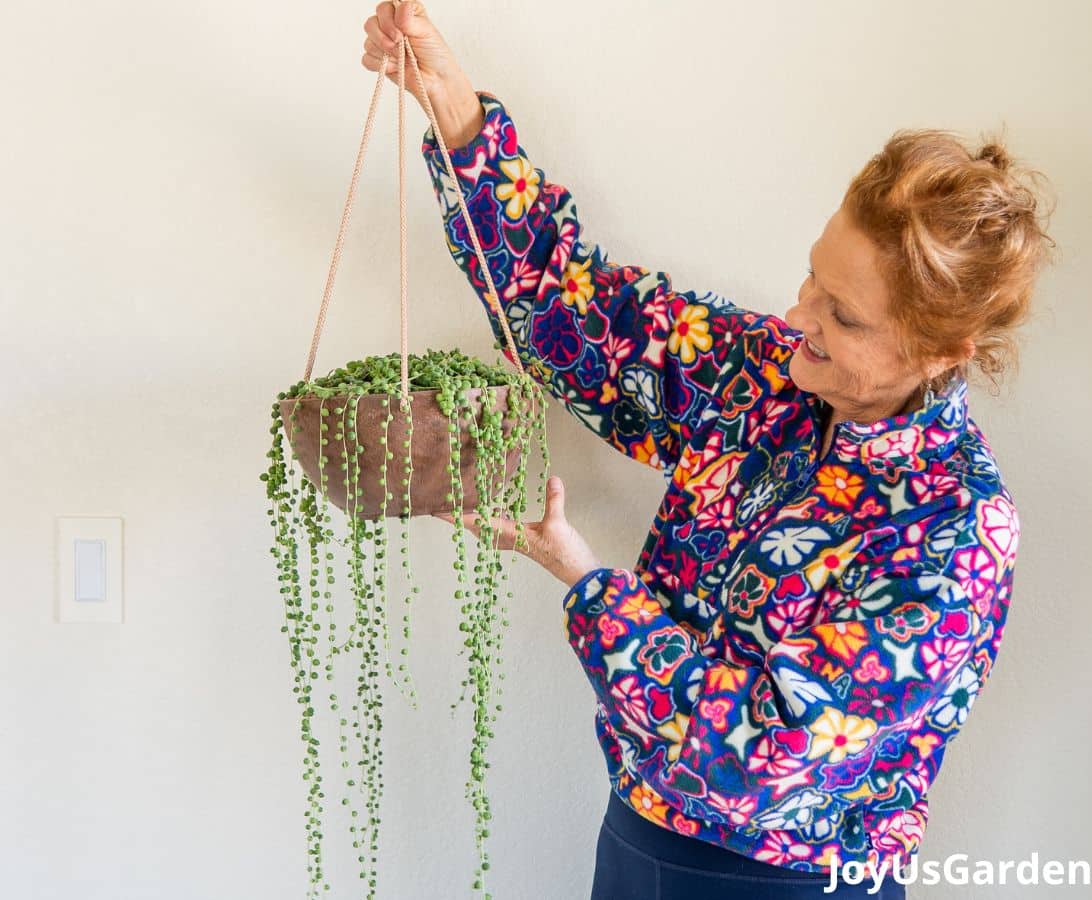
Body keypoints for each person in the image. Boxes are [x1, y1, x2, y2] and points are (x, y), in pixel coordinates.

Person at [362, 3, 1055, 897]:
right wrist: (451, 106)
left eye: (843, 315)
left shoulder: (956, 527)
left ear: (939, 351)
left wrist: (586, 581)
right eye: (814, 274)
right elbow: (566, 314)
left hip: (788, 881)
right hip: (637, 833)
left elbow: (760, 757)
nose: (800, 314)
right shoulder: (764, 371)